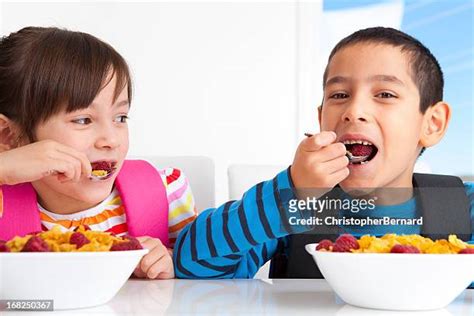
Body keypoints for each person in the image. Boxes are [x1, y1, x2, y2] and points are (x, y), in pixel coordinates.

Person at [173, 27, 474, 279]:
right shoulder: (290, 209)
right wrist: (293, 192)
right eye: (339, 95)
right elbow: (190, 263)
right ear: (320, 120)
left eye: (385, 94)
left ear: (432, 124)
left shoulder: (465, 207)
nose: (354, 111)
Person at [0, 27, 197, 279]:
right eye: (83, 120)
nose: (111, 140)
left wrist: (173, 263)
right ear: (8, 135)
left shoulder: (165, 193)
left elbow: (216, 278)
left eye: (120, 117)